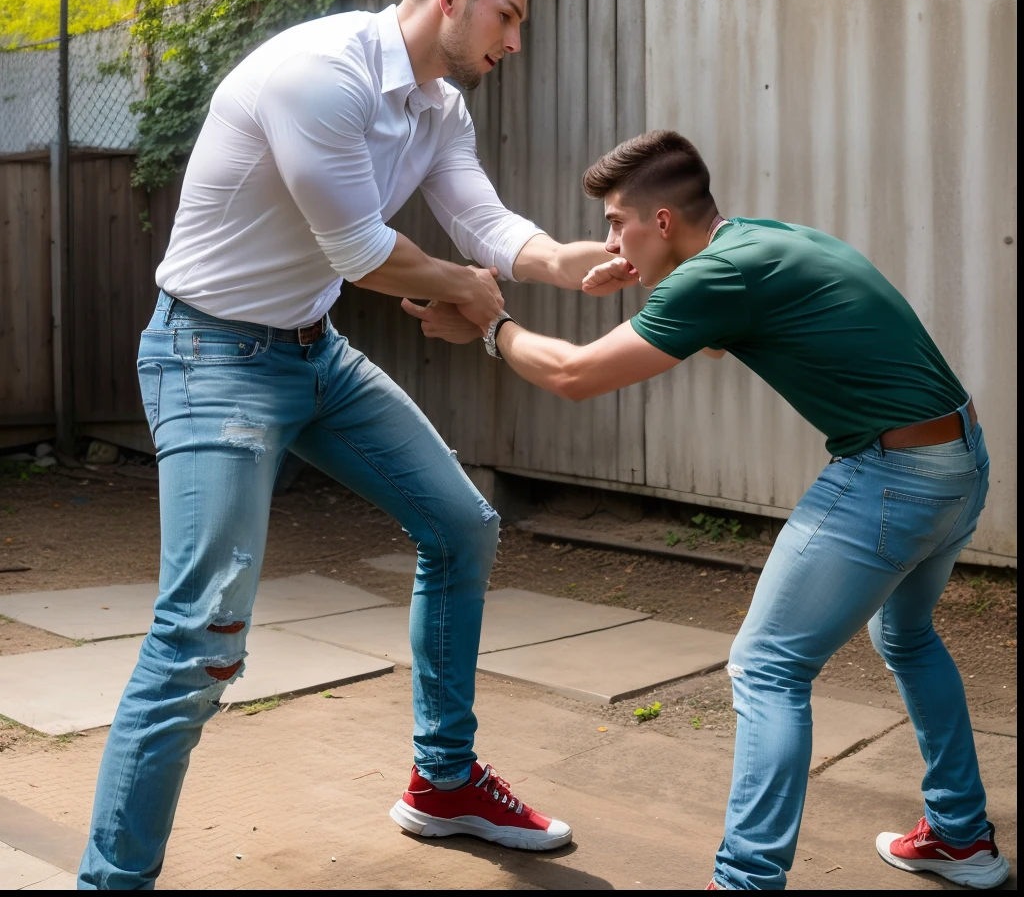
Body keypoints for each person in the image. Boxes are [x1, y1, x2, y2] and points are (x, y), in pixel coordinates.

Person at [78, 0, 629, 888]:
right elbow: (364, 251)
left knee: (461, 527)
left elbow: (484, 222)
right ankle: (110, 880)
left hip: (313, 353)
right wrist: (468, 289)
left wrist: (565, 262)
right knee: (201, 634)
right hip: (209, 353)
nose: (515, 40)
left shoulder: (437, 106)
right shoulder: (318, 74)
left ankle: (444, 783)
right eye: (508, 15)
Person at [407, 129, 1010, 891]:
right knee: (909, 637)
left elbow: (573, 376)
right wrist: (651, 282)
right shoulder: (757, 242)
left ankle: (746, 881)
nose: (606, 240)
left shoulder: (716, 277)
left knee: (766, 669)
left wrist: (492, 327)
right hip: (961, 461)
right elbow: (721, 335)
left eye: (614, 223)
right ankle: (961, 836)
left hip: (893, 478)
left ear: (660, 222)